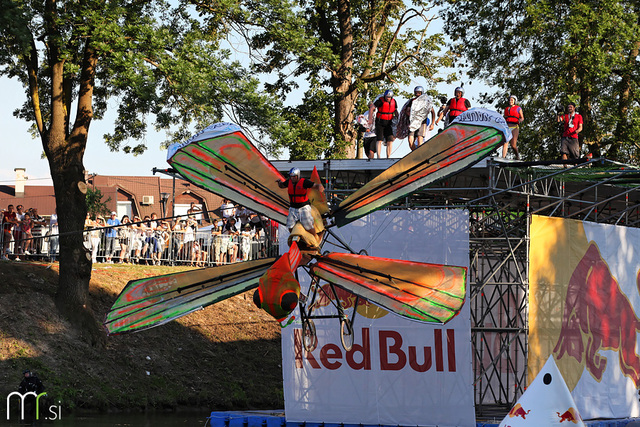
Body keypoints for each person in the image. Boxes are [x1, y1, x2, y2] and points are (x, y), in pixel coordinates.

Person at [276, 167, 324, 242]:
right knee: (290, 225)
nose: (293, 178)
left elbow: (313, 185)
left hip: (304, 207)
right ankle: (296, 239)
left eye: (294, 177)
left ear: (298, 176)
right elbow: (282, 185)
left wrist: (319, 186)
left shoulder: (304, 182)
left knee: (308, 225)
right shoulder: (289, 182)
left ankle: (316, 237)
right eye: (291, 177)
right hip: (293, 208)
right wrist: (279, 183)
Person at [403, 86, 436, 151]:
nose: (417, 94)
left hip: (422, 122)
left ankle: (419, 153)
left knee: (420, 140)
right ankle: (414, 152)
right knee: (410, 140)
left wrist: (432, 123)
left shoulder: (426, 101)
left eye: (419, 93)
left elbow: (432, 112)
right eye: (416, 93)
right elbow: (407, 111)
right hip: (412, 122)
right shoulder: (412, 101)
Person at [368, 90, 398, 158]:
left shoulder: (394, 102)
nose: (388, 98)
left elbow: (395, 111)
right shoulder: (380, 101)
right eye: (387, 97)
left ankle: (388, 156)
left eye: (389, 97)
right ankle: (378, 156)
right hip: (380, 122)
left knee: (390, 139)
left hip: (389, 122)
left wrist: (398, 119)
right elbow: (372, 108)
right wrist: (370, 119)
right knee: (379, 139)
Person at [502, 95, 523, 159]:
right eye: (509, 100)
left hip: (514, 126)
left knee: (513, 145)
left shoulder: (518, 108)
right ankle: (503, 157)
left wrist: (520, 120)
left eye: (512, 100)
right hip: (507, 127)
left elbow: (522, 117)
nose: (510, 101)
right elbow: (505, 117)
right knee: (505, 143)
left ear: (514, 101)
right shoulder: (506, 109)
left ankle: (517, 156)